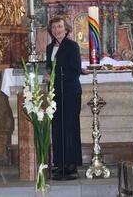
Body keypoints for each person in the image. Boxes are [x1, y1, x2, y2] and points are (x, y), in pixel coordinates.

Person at [46, 16, 82, 180]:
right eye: (54, 28)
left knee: (69, 127)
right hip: (55, 93)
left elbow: (75, 70)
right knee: (57, 127)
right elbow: (48, 67)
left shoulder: (72, 46)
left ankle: (71, 165)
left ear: (66, 29)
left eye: (59, 27)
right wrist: (48, 75)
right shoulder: (49, 48)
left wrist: (55, 76)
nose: (56, 30)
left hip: (70, 92)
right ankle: (59, 163)